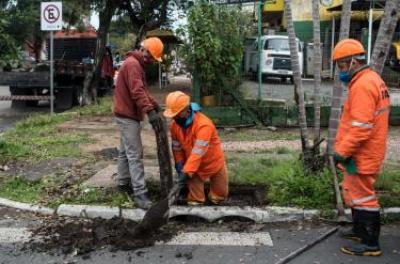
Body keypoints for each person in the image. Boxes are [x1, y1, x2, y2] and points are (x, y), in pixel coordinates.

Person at [332, 39, 390, 256]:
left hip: (361, 153)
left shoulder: (363, 86)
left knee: (364, 195)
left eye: (342, 66)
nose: (341, 71)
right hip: (365, 150)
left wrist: (342, 151)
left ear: (354, 62)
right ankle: (358, 229)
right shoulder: (371, 80)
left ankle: (369, 242)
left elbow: (361, 127)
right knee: (355, 192)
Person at [113, 37, 164, 209]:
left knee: (125, 152)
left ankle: (122, 184)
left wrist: (155, 105)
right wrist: (150, 112)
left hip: (125, 113)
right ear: (145, 50)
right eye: (151, 57)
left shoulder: (134, 64)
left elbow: (142, 90)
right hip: (128, 115)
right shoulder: (133, 65)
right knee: (135, 154)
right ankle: (140, 194)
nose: (151, 62)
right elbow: (137, 92)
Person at [163, 91, 228, 206]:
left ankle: (214, 199)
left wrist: (186, 172)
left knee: (219, 196)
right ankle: (196, 205)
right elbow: (177, 148)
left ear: (186, 111)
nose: (174, 118)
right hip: (194, 167)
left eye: (177, 114)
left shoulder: (203, 125)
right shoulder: (175, 126)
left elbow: (198, 153)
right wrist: (179, 164)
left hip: (213, 162)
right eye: (173, 115)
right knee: (194, 200)